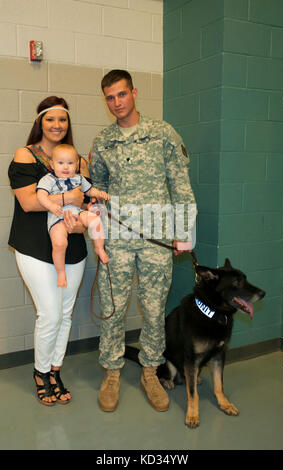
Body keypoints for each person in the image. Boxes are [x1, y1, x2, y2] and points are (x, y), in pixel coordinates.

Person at [89, 70, 197, 413]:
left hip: (156, 236)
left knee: (153, 309)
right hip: (118, 237)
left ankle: (150, 371)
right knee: (113, 308)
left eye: (121, 94)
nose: (117, 102)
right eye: (110, 97)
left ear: (134, 92)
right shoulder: (103, 141)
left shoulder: (162, 133)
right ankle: (112, 371)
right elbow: (98, 191)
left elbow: (180, 182)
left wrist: (185, 232)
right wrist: (98, 233)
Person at [8, 96, 90, 406]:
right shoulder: (26, 155)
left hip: (72, 246)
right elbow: (29, 203)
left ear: (68, 124)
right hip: (34, 248)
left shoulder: (78, 161)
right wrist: (73, 197)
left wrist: (81, 209)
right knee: (50, 314)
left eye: (63, 119)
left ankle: (55, 370)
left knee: (65, 315)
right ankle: (40, 373)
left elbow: (89, 202)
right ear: (40, 122)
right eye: (50, 119)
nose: (57, 125)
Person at [36, 143, 110, 288]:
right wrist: (51, 206)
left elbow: (90, 191)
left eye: (70, 163)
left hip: (77, 212)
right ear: (52, 164)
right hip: (57, 218)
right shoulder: (48, 179)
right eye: (60, 163)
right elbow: (40, 195)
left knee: (95, 220)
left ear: (76, 165)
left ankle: (99, 247)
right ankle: (61, 272)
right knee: (59, 243)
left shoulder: (79, 178)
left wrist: (99, 193)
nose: (65, 167)